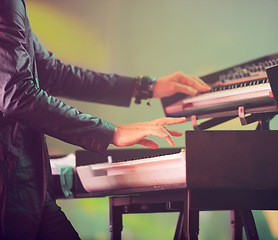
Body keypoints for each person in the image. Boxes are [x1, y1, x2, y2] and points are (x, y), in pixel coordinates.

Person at [0, 0, 210, 239]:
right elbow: (16, 94)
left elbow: (50, 74)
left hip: (25, 187)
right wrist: (111, 132)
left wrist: (144, 87)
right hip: (12, 189)